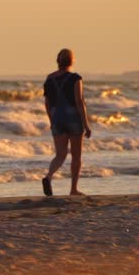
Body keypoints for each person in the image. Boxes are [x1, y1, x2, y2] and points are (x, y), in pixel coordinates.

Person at [41, 48, 92, 196]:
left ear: (57, 61)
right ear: (72, 61)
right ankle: (73, 189)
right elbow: (79, 101)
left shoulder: (49, 79)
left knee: (60, 155)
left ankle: (48, 176)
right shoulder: (75, 78)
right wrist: (86, 124)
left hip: (57, 118)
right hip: (73, 118)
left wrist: (52, 121)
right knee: (76, 156)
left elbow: (47, 103)